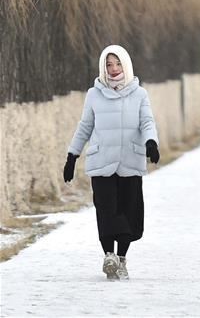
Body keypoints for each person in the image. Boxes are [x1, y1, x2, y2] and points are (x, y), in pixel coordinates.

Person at [63, 45, 159, 280]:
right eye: (108, 64)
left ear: (125, 65)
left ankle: (122, 259)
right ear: (102, 68)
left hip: (130, 161)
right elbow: (85, 126)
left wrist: (151, 143)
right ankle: (109, 256)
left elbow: (147, 122)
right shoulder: (94, 94)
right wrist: (72, 155)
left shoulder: (139, 94)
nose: (113, 69)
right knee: (106, 210)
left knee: (128, 212)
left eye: (117, 64)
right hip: (102, 161)